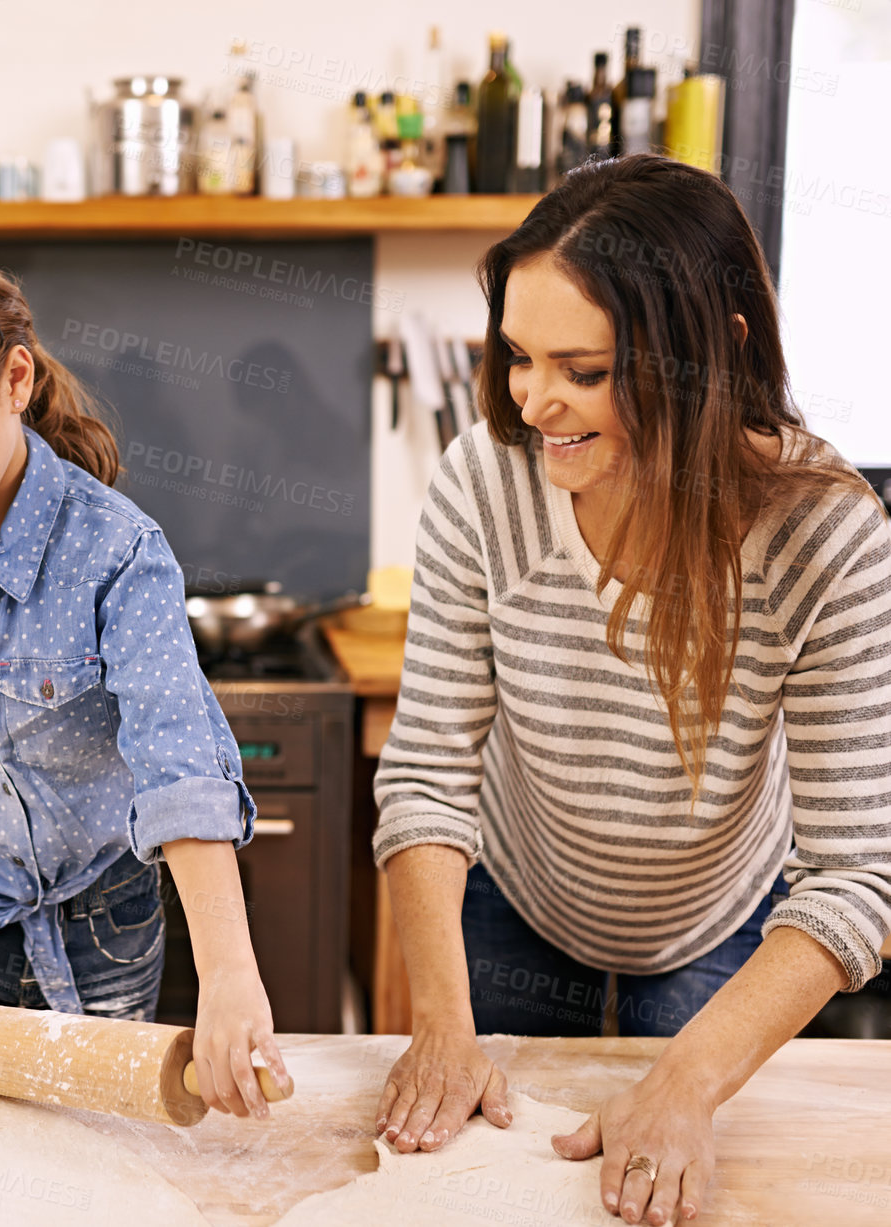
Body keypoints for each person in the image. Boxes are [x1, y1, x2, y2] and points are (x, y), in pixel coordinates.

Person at [372, 154, 891, 1225]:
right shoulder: (485, 481)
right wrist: (439, 1020)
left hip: (715, 936)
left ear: (716, 354)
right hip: (510, 911)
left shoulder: (825, 536)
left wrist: (686, 1081)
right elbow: (424, 775)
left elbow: (854, 879)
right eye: (518, 357)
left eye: (585, 369)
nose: (533, 402)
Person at [0, 232, 290, 1119]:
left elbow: (178, 768)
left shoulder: (117, 551)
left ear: (14, 382)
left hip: (106, 921)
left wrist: (229, 975)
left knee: (94, 1149)